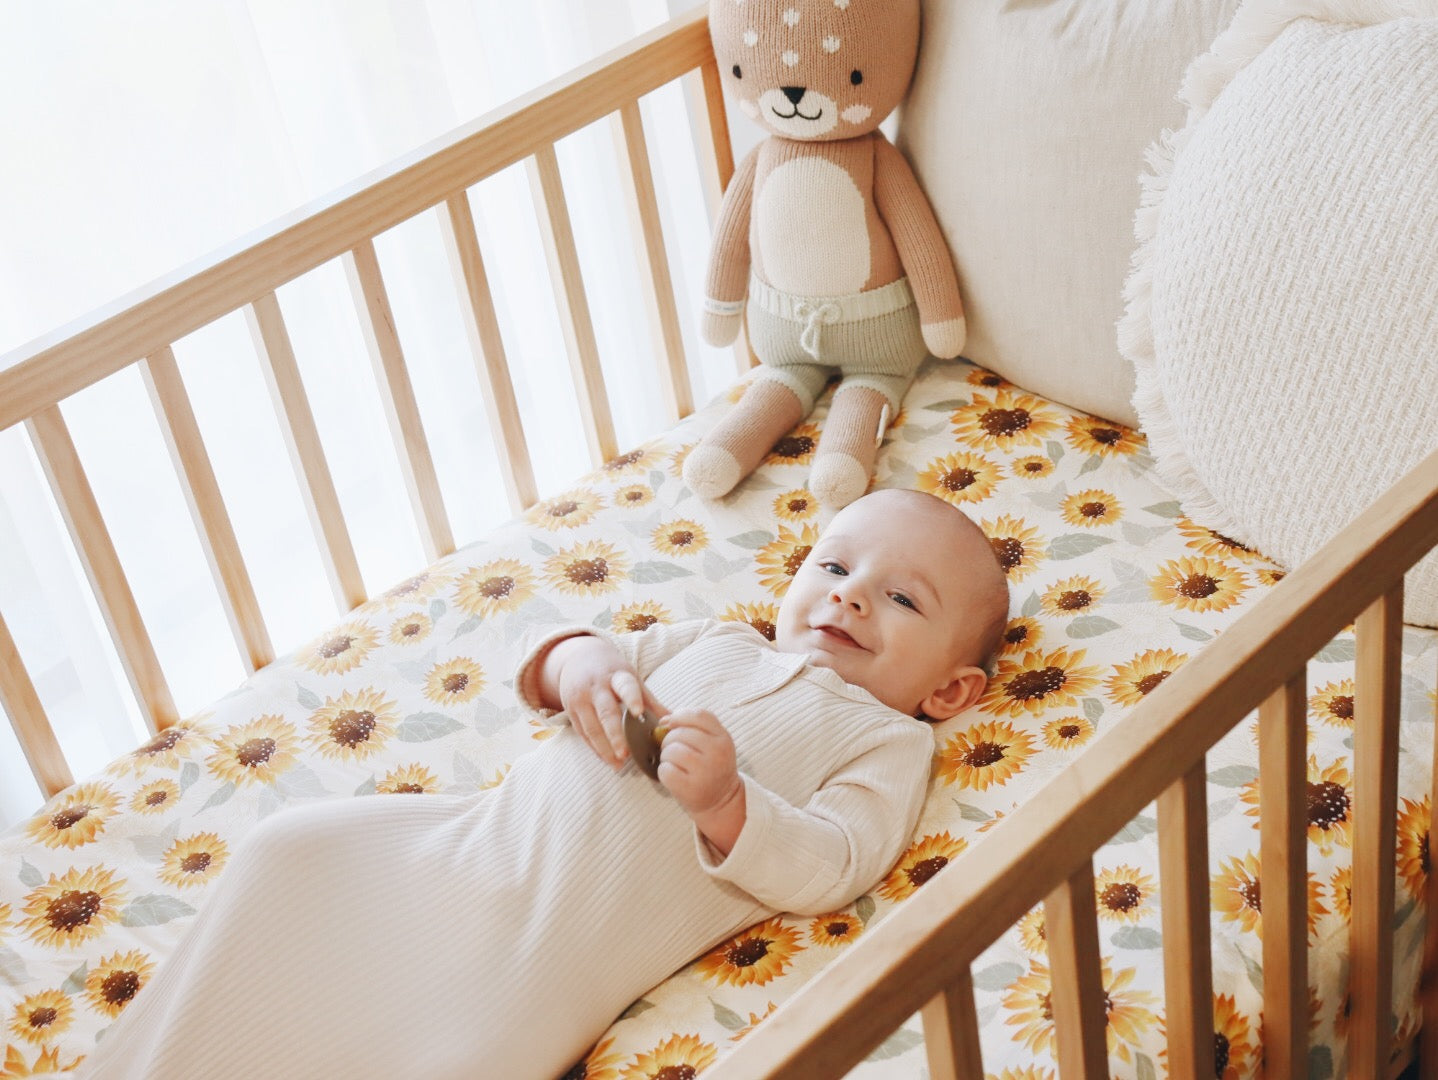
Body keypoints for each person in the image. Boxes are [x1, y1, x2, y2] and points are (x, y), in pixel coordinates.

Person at [79, 488, 1009, 1080]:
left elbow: (837, 860)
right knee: (289, 857)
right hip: (459, 852)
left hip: (541, 962)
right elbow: (565, 660)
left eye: (902, 598)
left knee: (457, 1060)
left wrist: (731, 807)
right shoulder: (715, 639)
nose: (849, 594)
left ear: (951, 690)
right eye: (836, 566)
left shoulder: (888, 739)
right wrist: (580, 666)